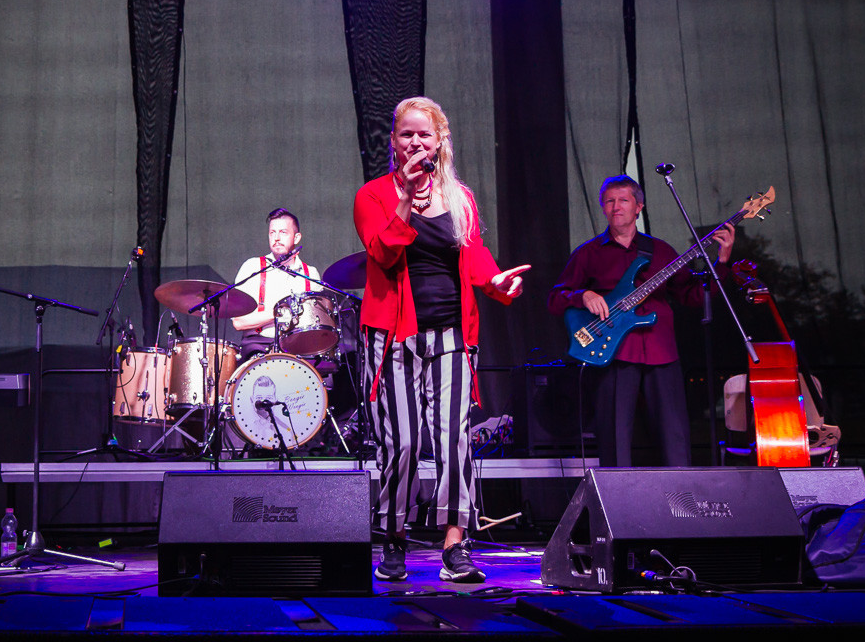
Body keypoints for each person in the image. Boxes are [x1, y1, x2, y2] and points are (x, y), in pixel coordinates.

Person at [354, 97, 529, 584]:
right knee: (403, 442)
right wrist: (407, 197)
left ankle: (455, 544)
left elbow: (475, 256)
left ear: (439, 141)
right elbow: (383, 253)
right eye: (406, 134)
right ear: (393, 142)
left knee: (454, 440)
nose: (415, 142)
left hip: (452, 333)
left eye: (424, 134)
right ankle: (394, 537)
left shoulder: (459, 197)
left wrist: (496, 282)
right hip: (393, 337)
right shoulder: (373, 195)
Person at [547, 174, 734, 468]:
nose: (616, 207)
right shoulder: (588, 253)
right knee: (615, 439)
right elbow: (555, 299)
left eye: (623, 200)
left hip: (661, 351)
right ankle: (616, 497)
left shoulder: (661, 251)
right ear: (603, 208)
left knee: (675, 437)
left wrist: (721, 262)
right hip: (613, 353)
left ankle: (680, 494)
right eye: (609, 201)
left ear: (639, 207)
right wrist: (583, 295)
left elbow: (692, 296)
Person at [231, 208, 322, 361]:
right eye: (272, 233)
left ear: (296, 237)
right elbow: (238, 322)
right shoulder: (253, 267)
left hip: (301, 349)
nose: (277, 238)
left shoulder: (310, 274)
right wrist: (279, 313)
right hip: (259, 347)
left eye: (283, 232)